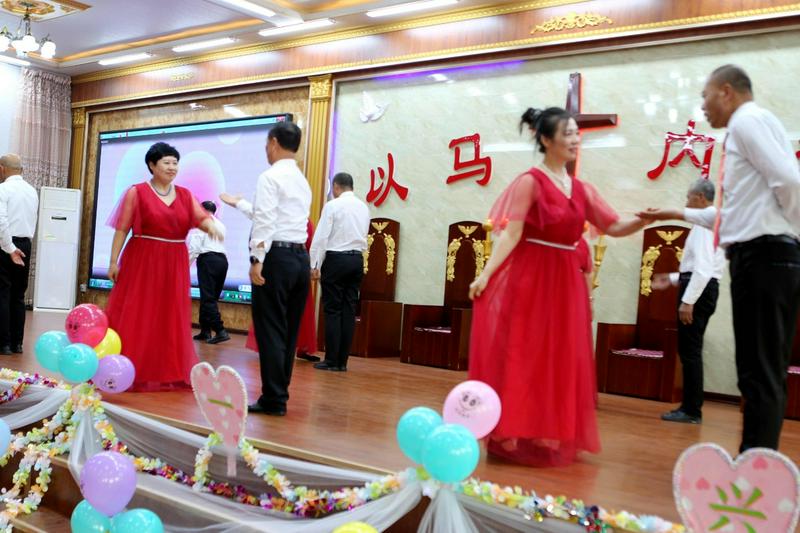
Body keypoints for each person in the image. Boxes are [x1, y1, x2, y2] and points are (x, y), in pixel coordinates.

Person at [468, 107, 647, 467]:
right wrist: (485, 274)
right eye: (566, 133)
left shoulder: (582, 189)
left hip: (566, 285)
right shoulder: (530, 181)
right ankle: (511, 430)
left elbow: (613, 226)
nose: (574, 139)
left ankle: (548, 430)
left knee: (560, 356)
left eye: (575, 133)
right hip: (532, 279)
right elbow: (512, 234)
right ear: (546, 140)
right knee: (525, 353)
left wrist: (647, 219)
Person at [639, 65, 800, 451]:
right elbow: (733, 217)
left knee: (759, 373)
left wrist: (791, 235)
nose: (703, 106)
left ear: (726, 91)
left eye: (705, 95)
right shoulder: (746, 128)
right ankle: (757, 461)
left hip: (766, 256)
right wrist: (673, 213)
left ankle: (756, 470)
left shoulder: (748, 122)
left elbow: (791, 181)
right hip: (760, 254)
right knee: (758, 371)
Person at [106, 142, 221, 391]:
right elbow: (122, 229)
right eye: (167, 162)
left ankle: (168, 370)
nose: (172, 167)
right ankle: (128, 368)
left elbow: (201, 219)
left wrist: (214, 227)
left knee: (169, 315)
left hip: (174, 261)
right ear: (152, 165)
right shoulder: (136, 192)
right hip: (143, 259)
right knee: (139, 312)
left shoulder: (185, 194)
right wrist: (113, 261)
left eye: (175, 163)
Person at [247, 123, 311, 416]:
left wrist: (256, 258)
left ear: (273, 142)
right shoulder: (301, 179)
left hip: (277, 258)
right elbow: (277, 216)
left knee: (271, 329)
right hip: (300, 258)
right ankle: (279, 393)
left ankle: (273, 399)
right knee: (288, 331)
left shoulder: (270, 176)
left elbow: (266, 221)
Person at [651, 179, 725, 424]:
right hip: (700, 287)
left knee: (690, 351)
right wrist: (672, 279)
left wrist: (688, 301)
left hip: (699, 291)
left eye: (689, 197)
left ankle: (692, 410)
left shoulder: (705, 224)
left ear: (701, 198)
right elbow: (697, 268)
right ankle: (691, 407)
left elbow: (703, 269)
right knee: (689, 350)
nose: (686, 203)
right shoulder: (704, 224)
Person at [218, 194, 318, 360]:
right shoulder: (305, 221)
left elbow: (262, 222)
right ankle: (288, 352)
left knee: (273, 311)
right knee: (292, 315)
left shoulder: (281, 217)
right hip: (299, 268)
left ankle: (275, 350)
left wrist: (256, 260)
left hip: (276, 267)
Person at [309, 172, 370, 372]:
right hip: (356, 260)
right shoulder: (363, 207)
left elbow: (321, 237)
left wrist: (314, 264)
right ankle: (342, 362)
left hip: (336, 260)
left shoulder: (333, 206)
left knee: (333, 310)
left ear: (336, 187)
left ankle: (331, 360)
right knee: (348, 310)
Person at [0, 154, 38, 355]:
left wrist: (9, 247)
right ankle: (17, 343)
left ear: (2, 168)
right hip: (26, 243)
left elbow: (1, 222)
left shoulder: (3, 189)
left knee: (3, 293)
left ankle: (3, 344)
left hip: (6, 244)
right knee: (18, 296)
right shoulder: (32, 191)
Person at [188, 200, 230, 344]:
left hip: (208, 261)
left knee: (207, 298)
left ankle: (220, 330)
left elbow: (194, 249)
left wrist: (185, 267)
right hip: (222, 261)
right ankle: (205, 331)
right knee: (211, 297)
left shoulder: (202, 224)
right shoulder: (221, 224)